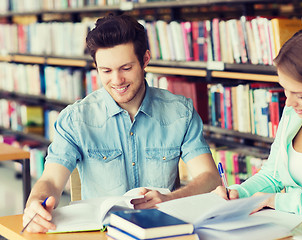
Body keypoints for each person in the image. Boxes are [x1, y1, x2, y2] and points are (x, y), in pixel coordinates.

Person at [23, 14, 221, 233]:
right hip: (102, 234)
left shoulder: (180, 112)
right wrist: (36, 202)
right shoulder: (75, 119)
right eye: (106, 71)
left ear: (145, 59)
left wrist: (170, 199)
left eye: (126, 68)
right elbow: (51, 179)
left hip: (163, 231)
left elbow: (210, 177)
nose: (117, 81)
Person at [213, 26, 302, 216]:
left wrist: (280, 201)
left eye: (301, 95)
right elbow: (273, 175)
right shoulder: (295, 114)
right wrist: (238, 193)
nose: (289, 103)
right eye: (285, 89)